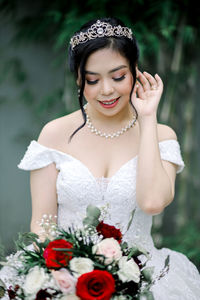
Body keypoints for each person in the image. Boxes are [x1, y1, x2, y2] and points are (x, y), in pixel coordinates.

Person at [1, 17, 200, 299]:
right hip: (67, 276)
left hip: (142, 277)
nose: (106, 90)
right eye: (92, 80)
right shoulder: (54, 134)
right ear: (79, 79)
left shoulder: (161, 135)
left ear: (135, 72)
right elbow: (43, 224)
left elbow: (152, 202)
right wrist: (62, 277)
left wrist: (147, 118)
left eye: (118, 76)